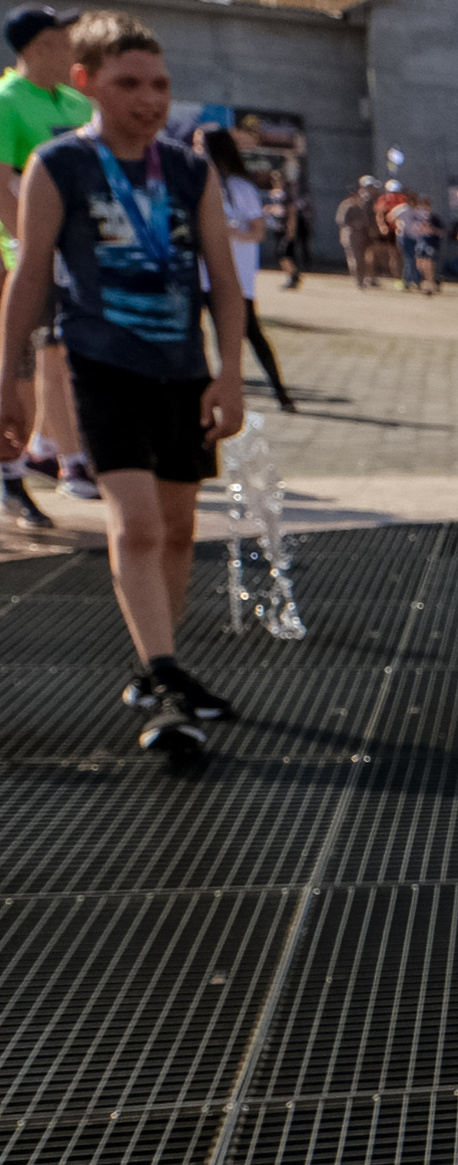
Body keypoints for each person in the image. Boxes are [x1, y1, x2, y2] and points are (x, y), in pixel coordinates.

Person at [0, 11, 246, 753]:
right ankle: (164, 671)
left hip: (182, 368)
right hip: (103, 364)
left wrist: (229, 374)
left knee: (177, 528)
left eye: (161, 84)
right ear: (87, 84)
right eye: (129, 84)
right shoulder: (59, 165)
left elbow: (225, 282)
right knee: (136, 523)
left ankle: (156, 662)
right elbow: (31, 274)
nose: (150, 99)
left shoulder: (189, 168)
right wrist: (9, 377)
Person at [0, 3, 94, 525]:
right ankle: (12, 473)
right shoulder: (6, 101)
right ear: (38, 48)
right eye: (64, 41)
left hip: (77, 260)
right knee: (26, 363)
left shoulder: (77, 104)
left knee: (60, 359)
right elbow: (0, 184)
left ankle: (51, 452)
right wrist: (32, 248)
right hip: (25, 259)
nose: (73, 50)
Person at [192, 125, 290, 412]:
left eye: (201, 145)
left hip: (235, 277)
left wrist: (226, 230)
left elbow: (257, 232)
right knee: (194, 333)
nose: (196, 150)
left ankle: (280, 392)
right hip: (200, 274)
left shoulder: (240, 187)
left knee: (249, 333)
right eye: (194, 144)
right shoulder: (196, 183)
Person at [265, 168, 304, 289]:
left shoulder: (286, 194)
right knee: (280, 255)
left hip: (285, 229)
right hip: (277, 228)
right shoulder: (274, 193)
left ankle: (294, 276)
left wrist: (290, 230)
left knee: (285, 255)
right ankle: (292, 276)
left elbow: (291, 212)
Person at [335, 177, 375, 288]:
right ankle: (358, 280)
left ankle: (362, 279)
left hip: (361, 235)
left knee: (361, 258)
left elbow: (367, 221)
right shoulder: (346, 205)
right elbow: (340, 220)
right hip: (349, 234)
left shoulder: (361, 207)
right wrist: (353, 223)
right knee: (354, 259)